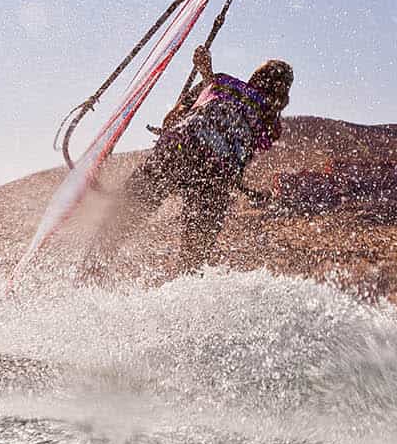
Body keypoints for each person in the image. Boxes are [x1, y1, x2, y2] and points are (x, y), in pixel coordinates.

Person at [87, 47, 294, 276]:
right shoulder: (272, 124)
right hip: (217, 178)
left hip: (180, 151)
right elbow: (250, 139)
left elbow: (171, 119)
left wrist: (206, 74)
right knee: (193, 260)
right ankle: (185, 286)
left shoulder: (222, 82)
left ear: (255, 76)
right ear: (283, 95)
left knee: (119, 222)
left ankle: (90, 272)